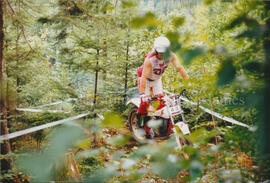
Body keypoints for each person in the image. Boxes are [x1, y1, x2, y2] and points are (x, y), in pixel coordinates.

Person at [136, 36, 189, 138]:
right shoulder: (149, 59)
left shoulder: (171, 56)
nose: (162, 55)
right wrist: (142, 94)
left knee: (161, 101)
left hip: (156, 79)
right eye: (160, 53)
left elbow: (180, 68)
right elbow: (143, 77)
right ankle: (140, 124)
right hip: (145, 80)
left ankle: (160, 126)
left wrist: (189, 82)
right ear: (156, 50)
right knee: (145, 102)